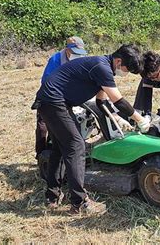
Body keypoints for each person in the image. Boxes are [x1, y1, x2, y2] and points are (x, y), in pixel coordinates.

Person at [35, 44, 150, 215]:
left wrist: (117, 118)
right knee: (76, 146)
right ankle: (79, 203)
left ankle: (52, 196)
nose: (125, 74)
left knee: (60, 148)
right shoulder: (102, 67)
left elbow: (101, 102)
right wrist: (140, 120)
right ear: (118, 61)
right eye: (126, 69)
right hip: (53, 102)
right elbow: (119, 100)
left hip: (54, 103)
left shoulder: (104, 67)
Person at [34, 36, 87, 159]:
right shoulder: (56, 59)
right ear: (67, 49)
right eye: (74, 52)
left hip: (69, 96)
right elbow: (46, 81)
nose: (77, 55)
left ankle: (58, 149)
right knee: (43, 125)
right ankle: (41, 155)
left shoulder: (81, 58)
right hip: (49, 96)